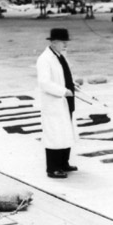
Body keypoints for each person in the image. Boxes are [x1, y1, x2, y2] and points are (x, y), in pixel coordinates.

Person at [36, 28, 79, 179]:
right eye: (63, 42)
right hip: (55, 101)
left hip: (66, 100)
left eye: (66, 42)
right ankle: (53, 168)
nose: (65, 44)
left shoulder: (60, 56)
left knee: (66, 132)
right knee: (54, 134)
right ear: (54, 42)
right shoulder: (45, 59)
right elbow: (44, 82)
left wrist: (73, 85)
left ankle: (63, 163)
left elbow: (64, 75)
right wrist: (63, 91)